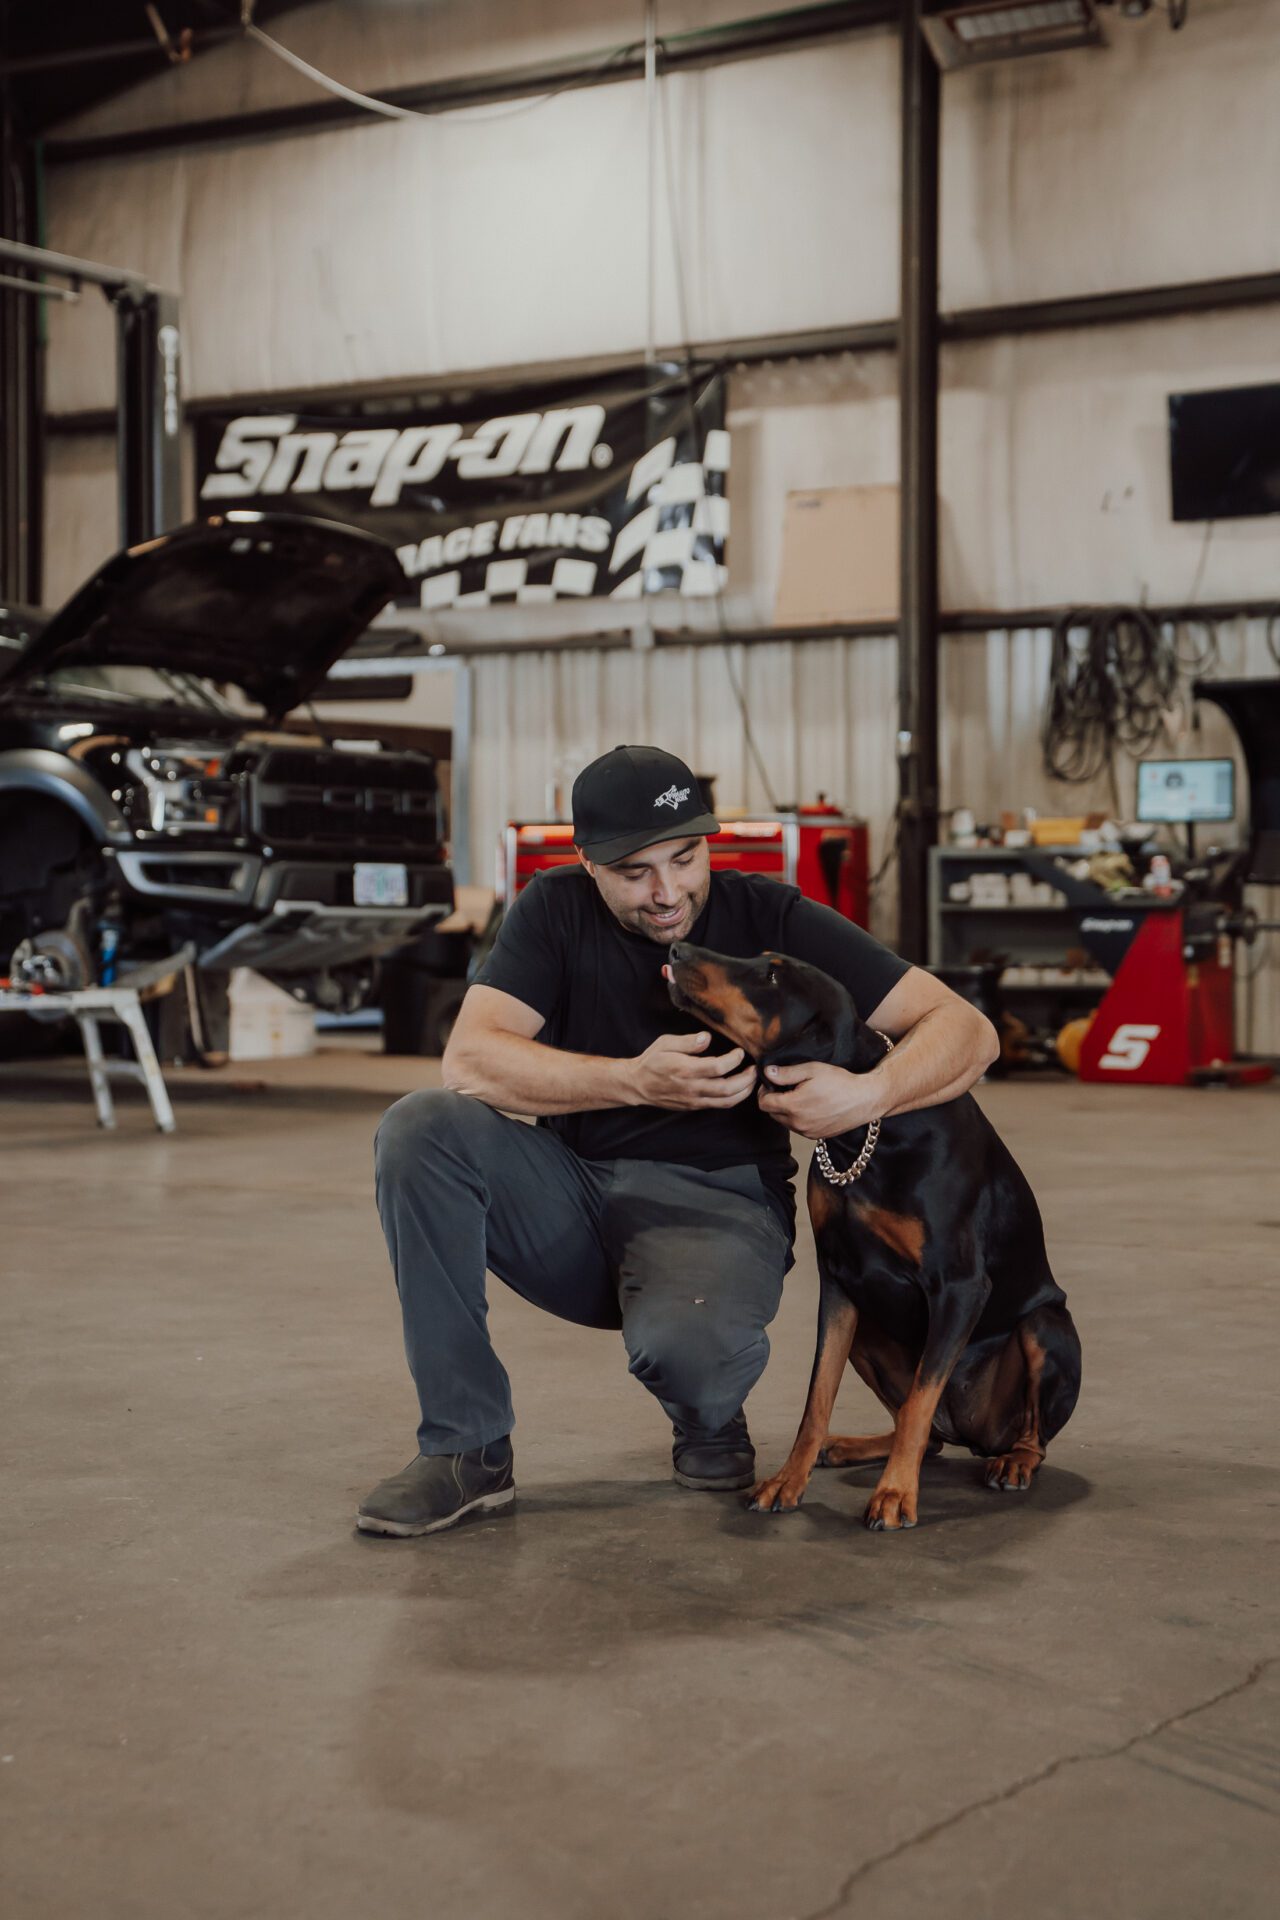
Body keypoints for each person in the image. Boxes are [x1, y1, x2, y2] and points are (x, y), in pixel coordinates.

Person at [359, 745, 998, 1536]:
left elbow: (968, 1031)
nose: (668, 893)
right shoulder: (552, 909)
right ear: (588, 864)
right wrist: (631, 1079)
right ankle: (465, 1449)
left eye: (686, 858)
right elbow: (471, 1058)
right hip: (570, 1190)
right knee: (421, 1127)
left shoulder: (769, 918)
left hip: (717, 1199)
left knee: (695, 1353)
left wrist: (865, 1094)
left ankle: (708, 1415)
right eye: (635, 872)